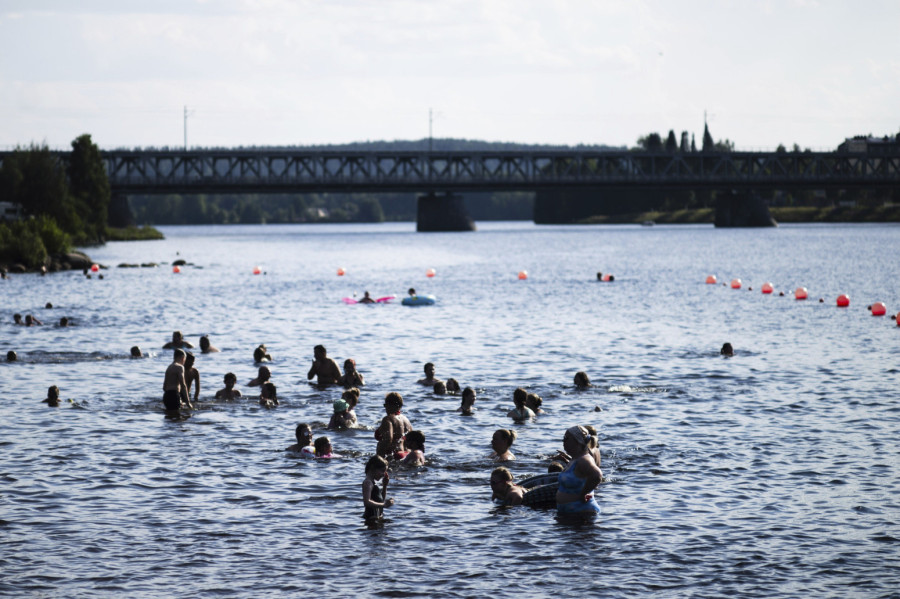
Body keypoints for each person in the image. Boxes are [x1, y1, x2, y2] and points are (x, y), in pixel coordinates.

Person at [556, 426, 603, 516]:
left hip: (583, 512)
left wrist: (584, 494)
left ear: (578, 441)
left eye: (566, 438)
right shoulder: (575, 459)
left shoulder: (584, 460)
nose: (563, 441)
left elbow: (597, 475)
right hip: (571, 513)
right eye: (563, 438)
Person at [376, 392, 412, 460]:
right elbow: (411, 441)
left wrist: (379, 457)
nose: (385, 408)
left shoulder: (388, 419)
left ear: (390, 405)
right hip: (406, 454)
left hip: (393, 455)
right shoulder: (406, 420)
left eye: (385, 405)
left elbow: (388, 439)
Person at [362, 455, 394, 521]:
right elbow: (367, 502)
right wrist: (384, 505)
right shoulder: (368, 483)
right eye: (382, 471)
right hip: (371, 521)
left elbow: (380, 500)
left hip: (377, 519)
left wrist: (385, 486)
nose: (383, 474)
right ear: (373, 468)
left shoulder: (373, 483)